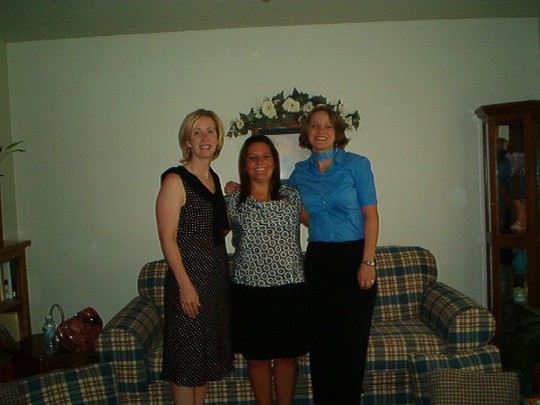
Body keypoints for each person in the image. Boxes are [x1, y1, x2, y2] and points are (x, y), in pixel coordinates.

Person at [287, 105, 379, 405]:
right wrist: (243, 187)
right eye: (314, 125)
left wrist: (367, 261)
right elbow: (277, 196)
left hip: (354, 258)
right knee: (322, 342)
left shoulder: (357, 165)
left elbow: (371, 216)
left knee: (351, 344)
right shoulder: (300, 173)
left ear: (337, 131)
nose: (321, 131)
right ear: (306, 132)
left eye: (327, 125)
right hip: (319, 261)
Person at [156, 109, 234, 405]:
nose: (205, 137)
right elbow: (167, 238)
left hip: (214, 278)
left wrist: (231, 200)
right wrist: (185, 285)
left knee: (201, 361)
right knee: (187, 361)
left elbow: (219, 231)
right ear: (187, 141)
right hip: (188, 278)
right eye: (197, 132)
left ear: (218, 139)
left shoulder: (213, 179)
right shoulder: (175, 180)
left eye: (210, 131)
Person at [225, 135, 309, 405]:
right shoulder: (233, 201)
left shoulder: (292, 196)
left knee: (287, 357)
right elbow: (210, 237)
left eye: (265, 156)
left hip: (289, 289)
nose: (259, 162)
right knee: (257, 359)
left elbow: (322, 225)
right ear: (244, 164)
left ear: (274, 161)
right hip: (249, 292)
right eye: (252, 157)